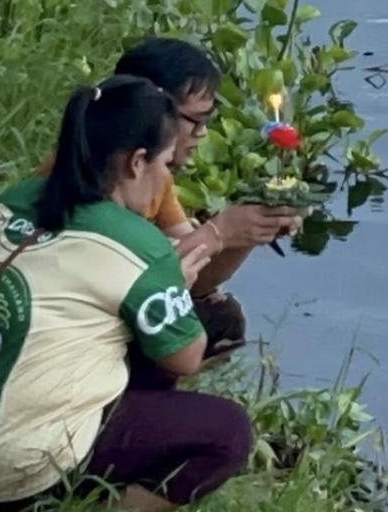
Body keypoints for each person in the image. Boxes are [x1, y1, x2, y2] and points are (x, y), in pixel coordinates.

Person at [0, 76, 254, 512]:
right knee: (229, 432)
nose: (167, 177)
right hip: (19, 475)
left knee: (140, 335)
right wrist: (181, 278)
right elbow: (186, 357)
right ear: (137, 162)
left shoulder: (16, 199)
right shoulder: (137, 243)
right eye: (166, 163)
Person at [43, 37, 301, 364]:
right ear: (153, 111)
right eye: (196, 120)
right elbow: (138, 277)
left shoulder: (154, 176)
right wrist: (218, 232)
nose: (202, 133)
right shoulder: (81, 177)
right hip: (75, 329)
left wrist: (249, 231)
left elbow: (195, 280)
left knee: (222, 316)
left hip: (113, 303)